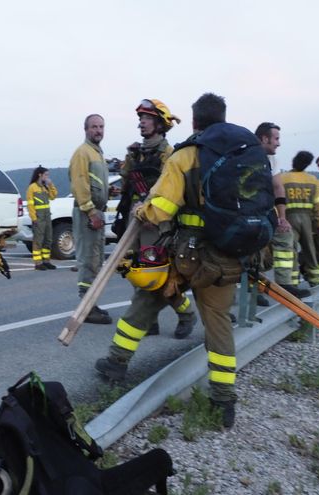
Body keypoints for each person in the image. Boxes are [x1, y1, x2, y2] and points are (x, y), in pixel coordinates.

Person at [99, 93, 247, 428]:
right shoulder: (242, 156)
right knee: (219, 323)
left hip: (186, 252)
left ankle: (116, 363)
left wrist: (142, 210)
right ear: (223, 118)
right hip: (226, 255)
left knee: (149, 294)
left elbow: (163, 207)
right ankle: (223, 402)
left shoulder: (183, 157)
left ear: (194, 123)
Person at [112, 99, 197, 338]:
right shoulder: (137, 152)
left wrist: (152, 211)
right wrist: (129, 160)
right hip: (134, 218)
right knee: (134, 270)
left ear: (160, 124)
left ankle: (186, 314)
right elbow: (126, 181)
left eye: (147, 118)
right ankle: (151, 320)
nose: (141, 122)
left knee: (156, 274)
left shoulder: (169, 154)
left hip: (155, 223)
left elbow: (170, 189)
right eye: (140, 118)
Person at [255, 123, 310, 298]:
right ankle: (251, 288)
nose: (279, 143)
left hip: (264, 210)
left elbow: (278, 187)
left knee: (285, 235)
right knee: (251, 249)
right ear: (264, 138)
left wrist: (282, 218)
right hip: (246, 212)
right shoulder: (245, 155)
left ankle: (285, 285)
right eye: (276, 139)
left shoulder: (272, 160)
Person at [69, 114, 111, 324]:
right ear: (85, 129)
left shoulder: (97, 153)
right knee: (87, 259)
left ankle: (90, 304)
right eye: (94, 127)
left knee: (95, 259)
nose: (98, 130)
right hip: (88, 213)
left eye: (101, 126)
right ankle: (86, 307)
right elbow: (79, 184)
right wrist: (91, 211)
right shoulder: (82, 153)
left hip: (97, 212)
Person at [281, 151, 319, 287]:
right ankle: (315, 281)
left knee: (291, 251)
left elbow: (278, 201)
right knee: (310, 250)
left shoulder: (283, 178)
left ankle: (293, 282)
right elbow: (318, 204)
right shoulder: (312, 180)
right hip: (307, 219)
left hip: (289, 217)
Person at [26, 165, 58, 270]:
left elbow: (53, 196)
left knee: (48, 239)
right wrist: (34, 218)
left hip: (47, 216)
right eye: (46, 175)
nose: (47, 177)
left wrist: (50, 185)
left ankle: (46, 261)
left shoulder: (44, 187)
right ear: (40, 175)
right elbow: (30, 205)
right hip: (38, 217)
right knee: (38, 240)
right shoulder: (32, 188)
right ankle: (38, 263)